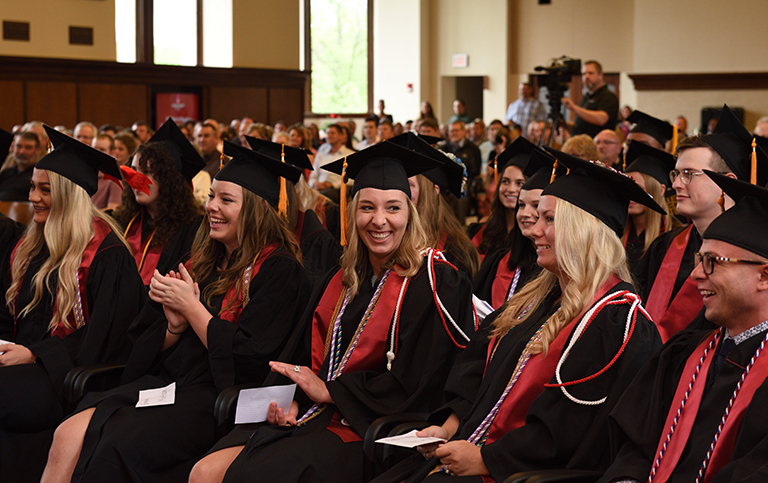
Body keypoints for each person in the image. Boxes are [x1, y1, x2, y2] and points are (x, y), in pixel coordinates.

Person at [190, 141, 476, 483]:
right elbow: (301, 356)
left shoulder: (435, 280)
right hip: (313, 415)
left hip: (371, 427)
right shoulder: (338, 278)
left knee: (254, 474)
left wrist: (331, 392)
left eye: (393, 208)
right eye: (367, 207)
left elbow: (422, 383)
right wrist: (291, 400)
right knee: (203, 472)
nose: (379, 220)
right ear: (353, 213)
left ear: (409, 214)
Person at [373, 149, 663, 483]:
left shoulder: (617, 322)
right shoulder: (537, 298)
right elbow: (478, 371)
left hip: (520, 473)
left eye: (549, 220)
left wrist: (486, 458)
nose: (532, 229)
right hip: (475, 452)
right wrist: (449, 426)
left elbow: (571, 430)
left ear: (583, 231)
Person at [40, 139, 313, 483]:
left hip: (222, 399)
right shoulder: (201, 259)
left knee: (119, 441)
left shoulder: (280, 270)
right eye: (212, 195)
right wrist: (174, 327)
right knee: (68, 432)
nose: (212, 206)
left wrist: (193, 310)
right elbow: (145, 339)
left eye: (226, 200)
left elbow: (254, 359)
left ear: (257, 210)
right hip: (171, 385)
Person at [599, 172, 768, 483]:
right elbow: (634, 447)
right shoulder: (683, 354)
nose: (696, 276)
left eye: (713, 262)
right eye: (698, 259)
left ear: (765, 276)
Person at [0, 125, 146, 482]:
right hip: (21, 365)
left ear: (68, 196)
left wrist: (36, 355)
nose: (33, 196)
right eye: (33, 186)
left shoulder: (106, 255)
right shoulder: (30, 246)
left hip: (66, 378)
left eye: (45, 190)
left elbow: (109, 341)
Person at [636, 105, 768, 343]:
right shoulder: (664, 246)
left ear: (726, 183)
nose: (677, 184)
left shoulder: (751, 259)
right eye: (676, 174)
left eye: (689, 173)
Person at [113, 119, 206, 287]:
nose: (137, 179)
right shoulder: (122, 222)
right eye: (134, 170)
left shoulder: (192, 229)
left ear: (169, 180)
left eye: (148, 171)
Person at [472, 148, 555, 311]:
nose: (525, 213)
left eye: (536, 206)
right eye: (521, 205)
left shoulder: (558, 271)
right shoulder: (500, 262)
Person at [389, 132, 480, 278]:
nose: (401, 191)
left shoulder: (455, 251)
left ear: (433, 191)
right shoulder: (386, 236)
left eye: (409, 184)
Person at [467, 137, 532, 259]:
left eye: (520, 183)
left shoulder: (532, 239)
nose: (511, 189)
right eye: (505, 181)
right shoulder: (482, 230)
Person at [622, 140, 676, 275]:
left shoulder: (675, 236)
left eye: (638, 189)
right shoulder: (616, 232)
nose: (630, 195)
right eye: (626, 188)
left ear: (661, 190)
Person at [562, 60, 618, 138]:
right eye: (584, 74)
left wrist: (574, 107)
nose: (586, 76)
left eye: (590, 73)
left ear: (600, 75)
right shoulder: (586, 96)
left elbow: (601, 119)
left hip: (597, 145)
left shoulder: (608, 96)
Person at [0, 130, 40, 201]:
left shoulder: (38, 176)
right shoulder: (5, 173)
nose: (22, 152)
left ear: (37, 150)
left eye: (28, 148)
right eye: (19, 146)